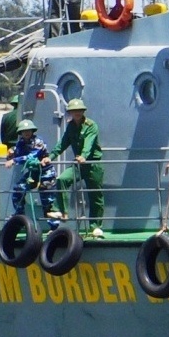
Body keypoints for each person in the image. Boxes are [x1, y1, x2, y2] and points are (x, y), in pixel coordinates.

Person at [53, 98, 106, 238]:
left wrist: (83, 156)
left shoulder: (91, 125)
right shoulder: (70, 126)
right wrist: (50, 157)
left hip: (92, 164)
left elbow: (89, 143)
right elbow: (63, 143)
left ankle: (95, 226)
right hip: (78, 164)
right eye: (74, 111)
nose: (77, 112)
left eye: (79, 110)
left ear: (83, 111)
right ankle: (63, 213)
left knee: (96, 196)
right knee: (62, 179)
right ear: (70, 112)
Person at [8, 118, 58, 220]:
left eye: (28, 130)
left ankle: (54, 228)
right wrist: (11, 154)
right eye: (24, 131)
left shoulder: (39, 142)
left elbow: (32, 156)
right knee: (19, 188)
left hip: (46, 173)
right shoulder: (21, 143)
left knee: (47, 200)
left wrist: (15, 160)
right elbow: (17, 153)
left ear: (32, 131)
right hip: (34, 173)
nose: (26, 133)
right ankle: (19, 216)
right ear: (20, 132)